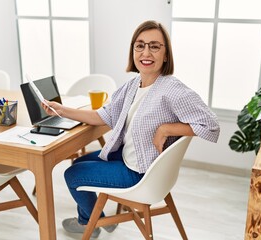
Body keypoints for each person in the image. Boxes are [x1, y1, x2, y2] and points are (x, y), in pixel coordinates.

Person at [41, 20, 220, 238]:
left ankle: (91, 222)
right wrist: (62, 110)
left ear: (166, 54)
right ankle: (93, 219)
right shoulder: (134, 84)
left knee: (72, 174)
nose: (146, 52)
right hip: (128, 158)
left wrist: (166, 129)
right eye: (140, 45)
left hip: (140, 173)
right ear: (133, 51)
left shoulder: (172, 90)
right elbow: (102, 116)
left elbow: (211, 126)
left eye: (154, 46)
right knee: (79, 162)